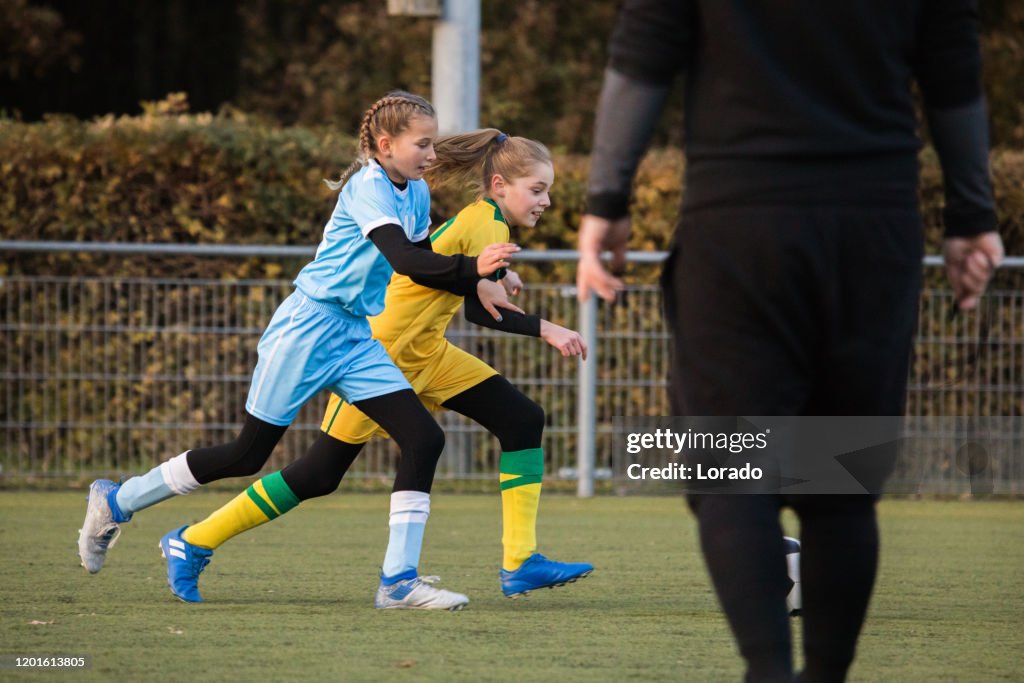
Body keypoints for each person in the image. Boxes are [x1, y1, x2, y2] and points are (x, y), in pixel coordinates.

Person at [576, 2, 1003, 681]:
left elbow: (642, 57)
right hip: (874, 227)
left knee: (731, 473)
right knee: (839, 483)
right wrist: (972, 213)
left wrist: (605, 203)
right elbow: (955, 71)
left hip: (741, 221)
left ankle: (769, 671)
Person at [78, 90, 520, 611]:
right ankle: (118, 500)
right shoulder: (366, 188)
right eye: (421, 143)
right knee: (247, 454)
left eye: (431, 142)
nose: (430, 153)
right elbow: (402, 260)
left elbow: (423, 256)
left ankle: (398, 582)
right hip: (307, 329)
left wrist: (481, 280)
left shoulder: (416, 191)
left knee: (423, 438)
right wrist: (473, 271)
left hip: (355, 335)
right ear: (385, 145)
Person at [158, 130, 595, 607]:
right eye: (537, 190)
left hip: (428, 353)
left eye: (547, 190)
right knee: (318, 474)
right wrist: (548, 329)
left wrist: (499, 282)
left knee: (521, 419)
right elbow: (476, 308)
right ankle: (194, 540)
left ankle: (520, 562)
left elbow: (472, 295)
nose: (547, 200)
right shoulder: (488, 225)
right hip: (382, 354)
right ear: (498, 185)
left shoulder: (487, 222)